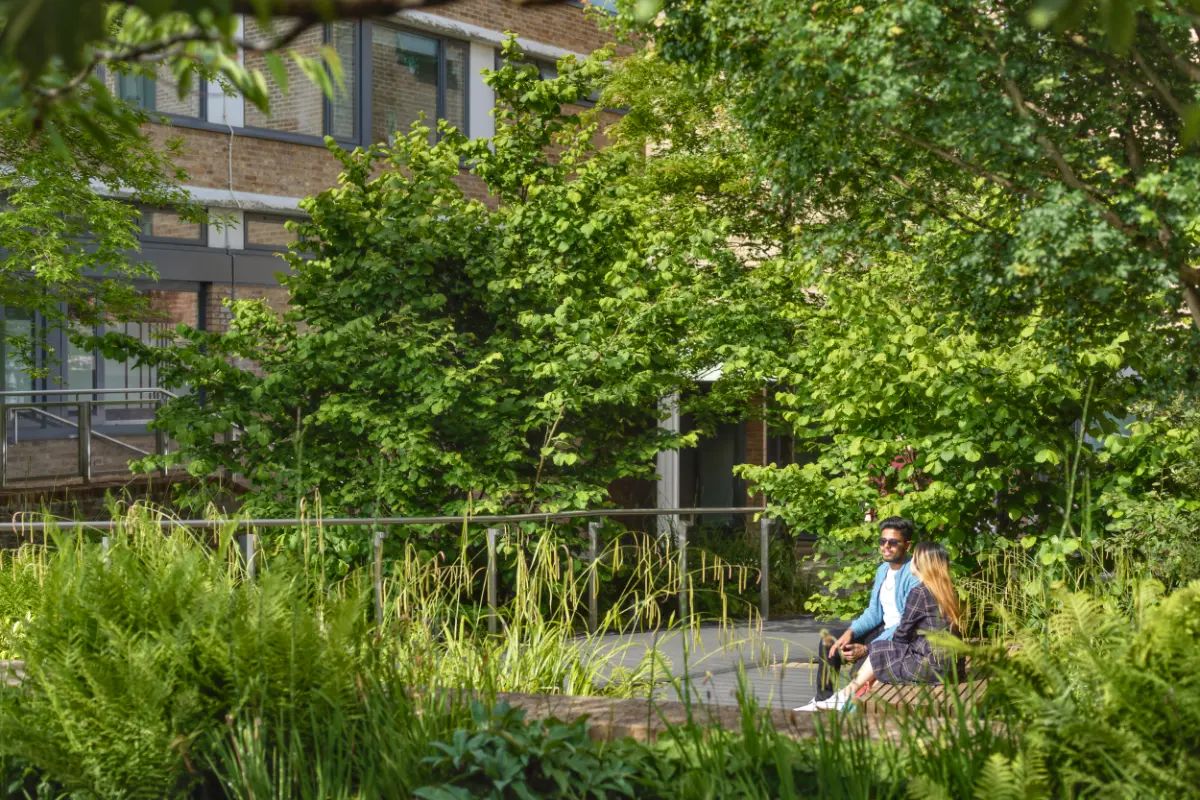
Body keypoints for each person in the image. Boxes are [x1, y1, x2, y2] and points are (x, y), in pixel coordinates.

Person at [806, 541, 962, 710]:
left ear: (921, 564)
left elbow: (902, 633)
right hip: (952, 668)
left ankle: (844, 696)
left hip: (931, 668)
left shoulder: (920, 592)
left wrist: (870, 650)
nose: (912, 562)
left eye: (915, 558)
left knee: (880, 650)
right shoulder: (947, 591)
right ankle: (844, 695)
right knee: (880, 650)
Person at [794, 516, 918, 711]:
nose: (886, 546)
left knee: (859, 667)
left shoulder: (913, 575)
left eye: (893, 542)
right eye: (882, 541)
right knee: (831, 641)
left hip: (901, 638)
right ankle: (822, 700)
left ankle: (845, 704)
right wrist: (850, 632)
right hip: (883, 629)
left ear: (907, 545)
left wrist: (868, 648)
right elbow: (874, 612)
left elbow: (906, 624)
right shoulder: (883, 570)